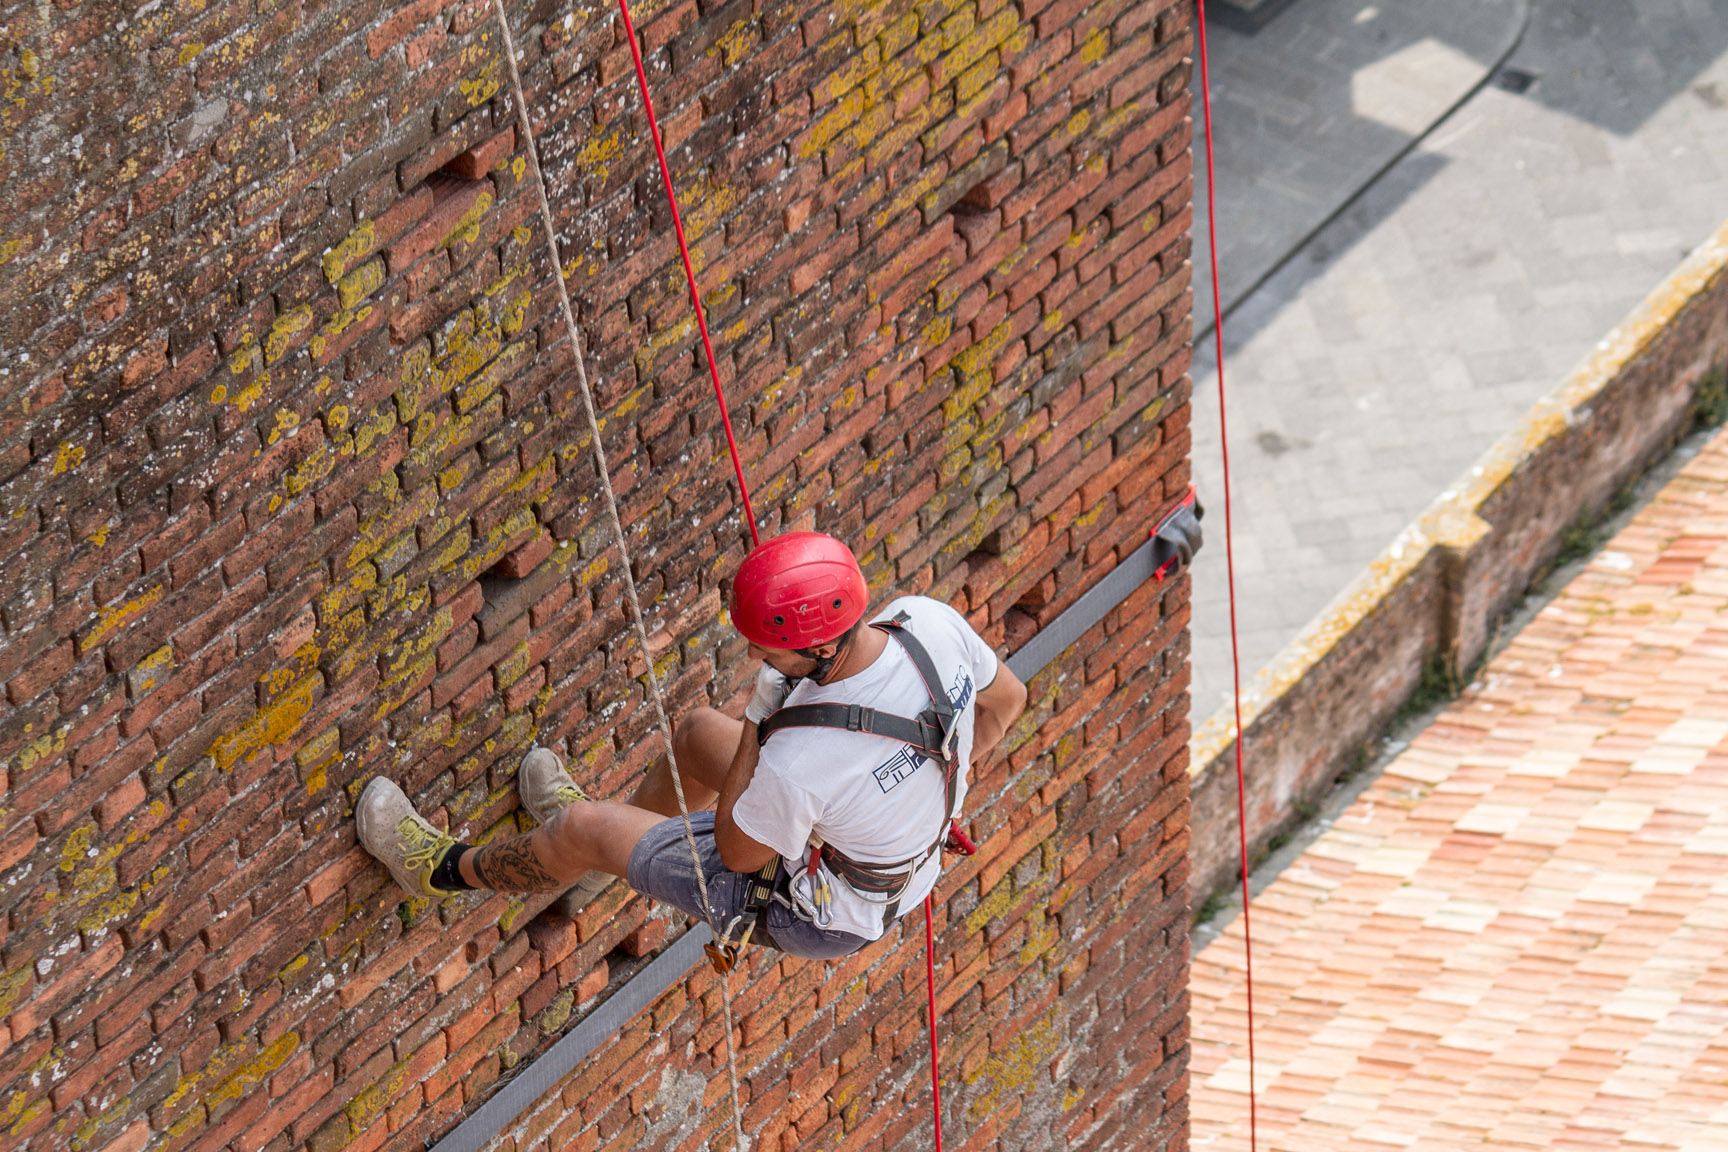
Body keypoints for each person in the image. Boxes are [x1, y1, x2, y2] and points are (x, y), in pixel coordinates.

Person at [356, 532, 1027, 960]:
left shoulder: (800, 760)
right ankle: (611, 858)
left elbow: (738, 852)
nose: (752, 653)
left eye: (762, 648)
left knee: (584, 825)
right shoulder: (926, 625)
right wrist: (924, 790)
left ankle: (437, 869)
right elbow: (1007, 701)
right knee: (699, 734)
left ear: (818, 647)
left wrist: (763, 723)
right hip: (888, 861)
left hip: (815, 909)